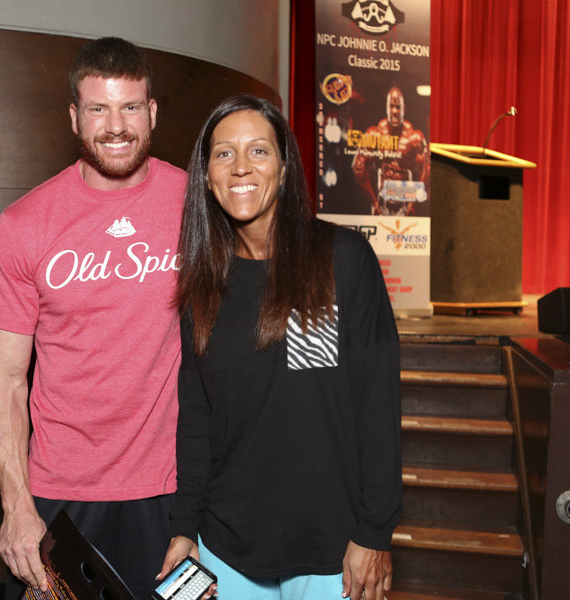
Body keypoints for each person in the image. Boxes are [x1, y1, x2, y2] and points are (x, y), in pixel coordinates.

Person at [0, 37, 186, 599]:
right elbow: (1, 378)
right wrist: (17, 505)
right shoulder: (24, 225)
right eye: (98, 109)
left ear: (152, 112)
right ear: (74, 117)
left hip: (171, 490)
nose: (116, 126)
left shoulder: (197, 207)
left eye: (130, 107)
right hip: (59, 493)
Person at [159, 95, 401, 600]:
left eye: (258, 151)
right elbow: (197, 419)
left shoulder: (342, 258)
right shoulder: (202, 285)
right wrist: (185, 528)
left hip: (332, 552)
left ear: (285, 167)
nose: (240, 167)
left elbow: (377, 404)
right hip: (226, 549)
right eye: (224, 154)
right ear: (206, 177)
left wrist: (374, 531)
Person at [352, 85, 430, 216]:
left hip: (407, 198)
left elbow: (427, 167)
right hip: (383, 198)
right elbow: (358, 167)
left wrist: (413, 202)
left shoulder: (414, 137)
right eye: (391, 106)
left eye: (398, 107)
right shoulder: (375, 134)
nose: (394, 111)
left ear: (404, 108)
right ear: (386, 108)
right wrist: (373, 201)